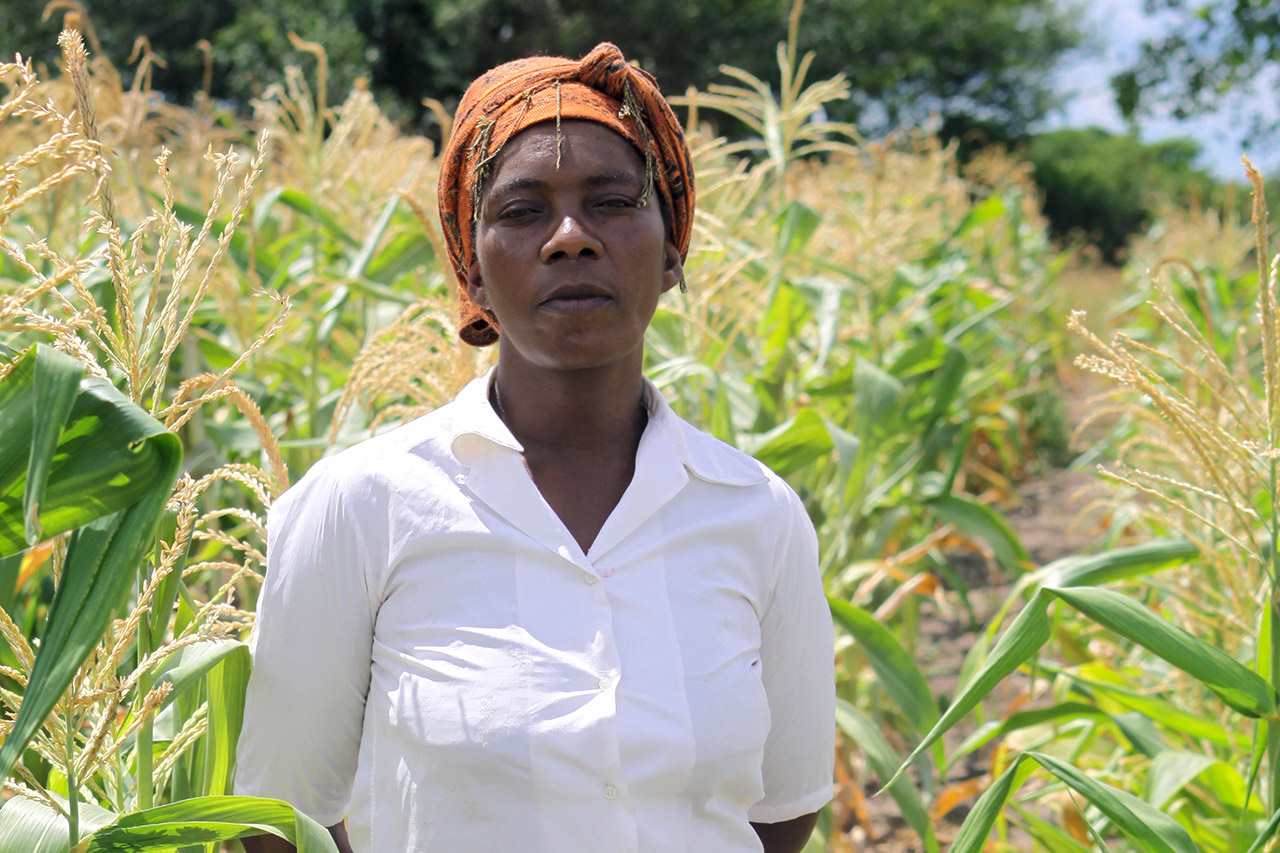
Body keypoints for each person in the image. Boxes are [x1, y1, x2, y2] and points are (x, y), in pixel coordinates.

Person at [236, 42, 835, 853]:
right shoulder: (361, 505)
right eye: (520, 211)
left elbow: (782, 807)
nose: (569, 238)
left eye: (614, 202)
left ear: (669, 252)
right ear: (472, 273)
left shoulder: (757, 515)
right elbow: (281, 821)